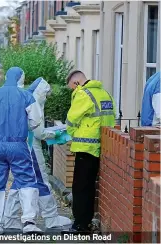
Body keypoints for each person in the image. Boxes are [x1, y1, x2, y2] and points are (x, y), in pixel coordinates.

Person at [0, 67, 43, 234]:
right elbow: (36, 120)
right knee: (27, 180)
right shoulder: (25, 96)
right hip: (17, 145)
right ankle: (29, 222)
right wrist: (24, 125)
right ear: (20, 78)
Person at [3, 77, 72, 231]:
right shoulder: (34, 103)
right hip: (31, 148)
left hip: (20, 146)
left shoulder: (24, 99)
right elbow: (39, 132)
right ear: (41, 92)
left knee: (19, 182)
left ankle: (9, 217)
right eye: (46, 94)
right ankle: (51, 217)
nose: (47, 98)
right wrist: (55, 134)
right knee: (42, 181)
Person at [63, 70, 116, 234]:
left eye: (72, 87)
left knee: (79, 188)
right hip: (102, 146)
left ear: (76, 83)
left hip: (85, 148)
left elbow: (71, 120)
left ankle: (79, 226)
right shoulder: (105, 93)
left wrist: (70, 132)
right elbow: (111, 118)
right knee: (89, 187)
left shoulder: (83, 94)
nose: (73, 90)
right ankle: (84, 223)